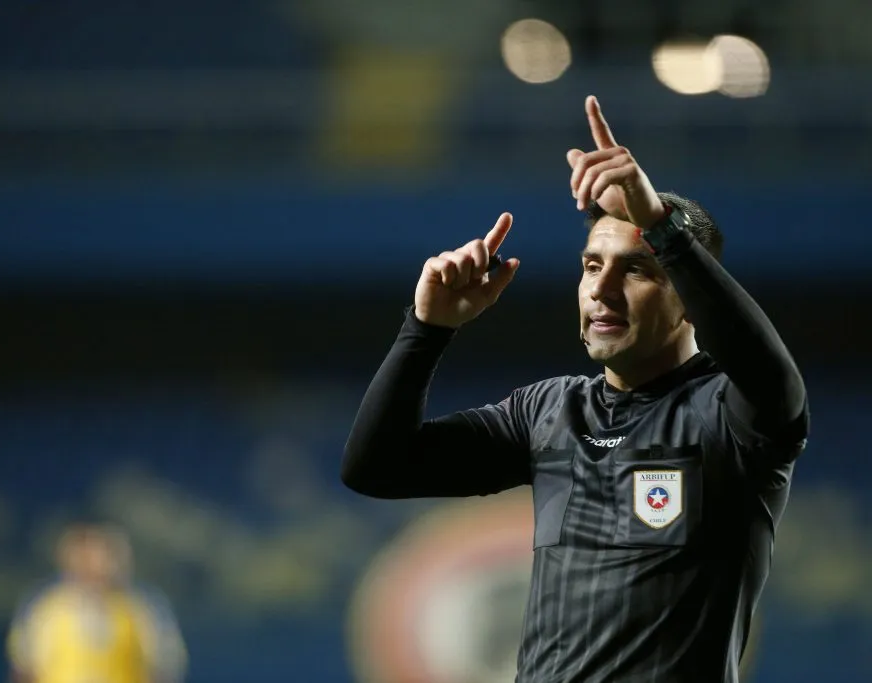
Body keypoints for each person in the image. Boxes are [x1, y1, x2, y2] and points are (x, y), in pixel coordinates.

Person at [342, 95, 808, 682]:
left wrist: (661, 225)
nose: (602, 290)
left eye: (636, 269)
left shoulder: (730, 415)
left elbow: (774, 379)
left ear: (689, 293)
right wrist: (426, 329)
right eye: (591, 266)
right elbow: (375, 468)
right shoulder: (549, 412)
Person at [7, 522, 188, 683]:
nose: (94, 563)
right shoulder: (45, 608)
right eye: (85, 554)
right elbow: (24, 669)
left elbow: (164, 668)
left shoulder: (142, 609)